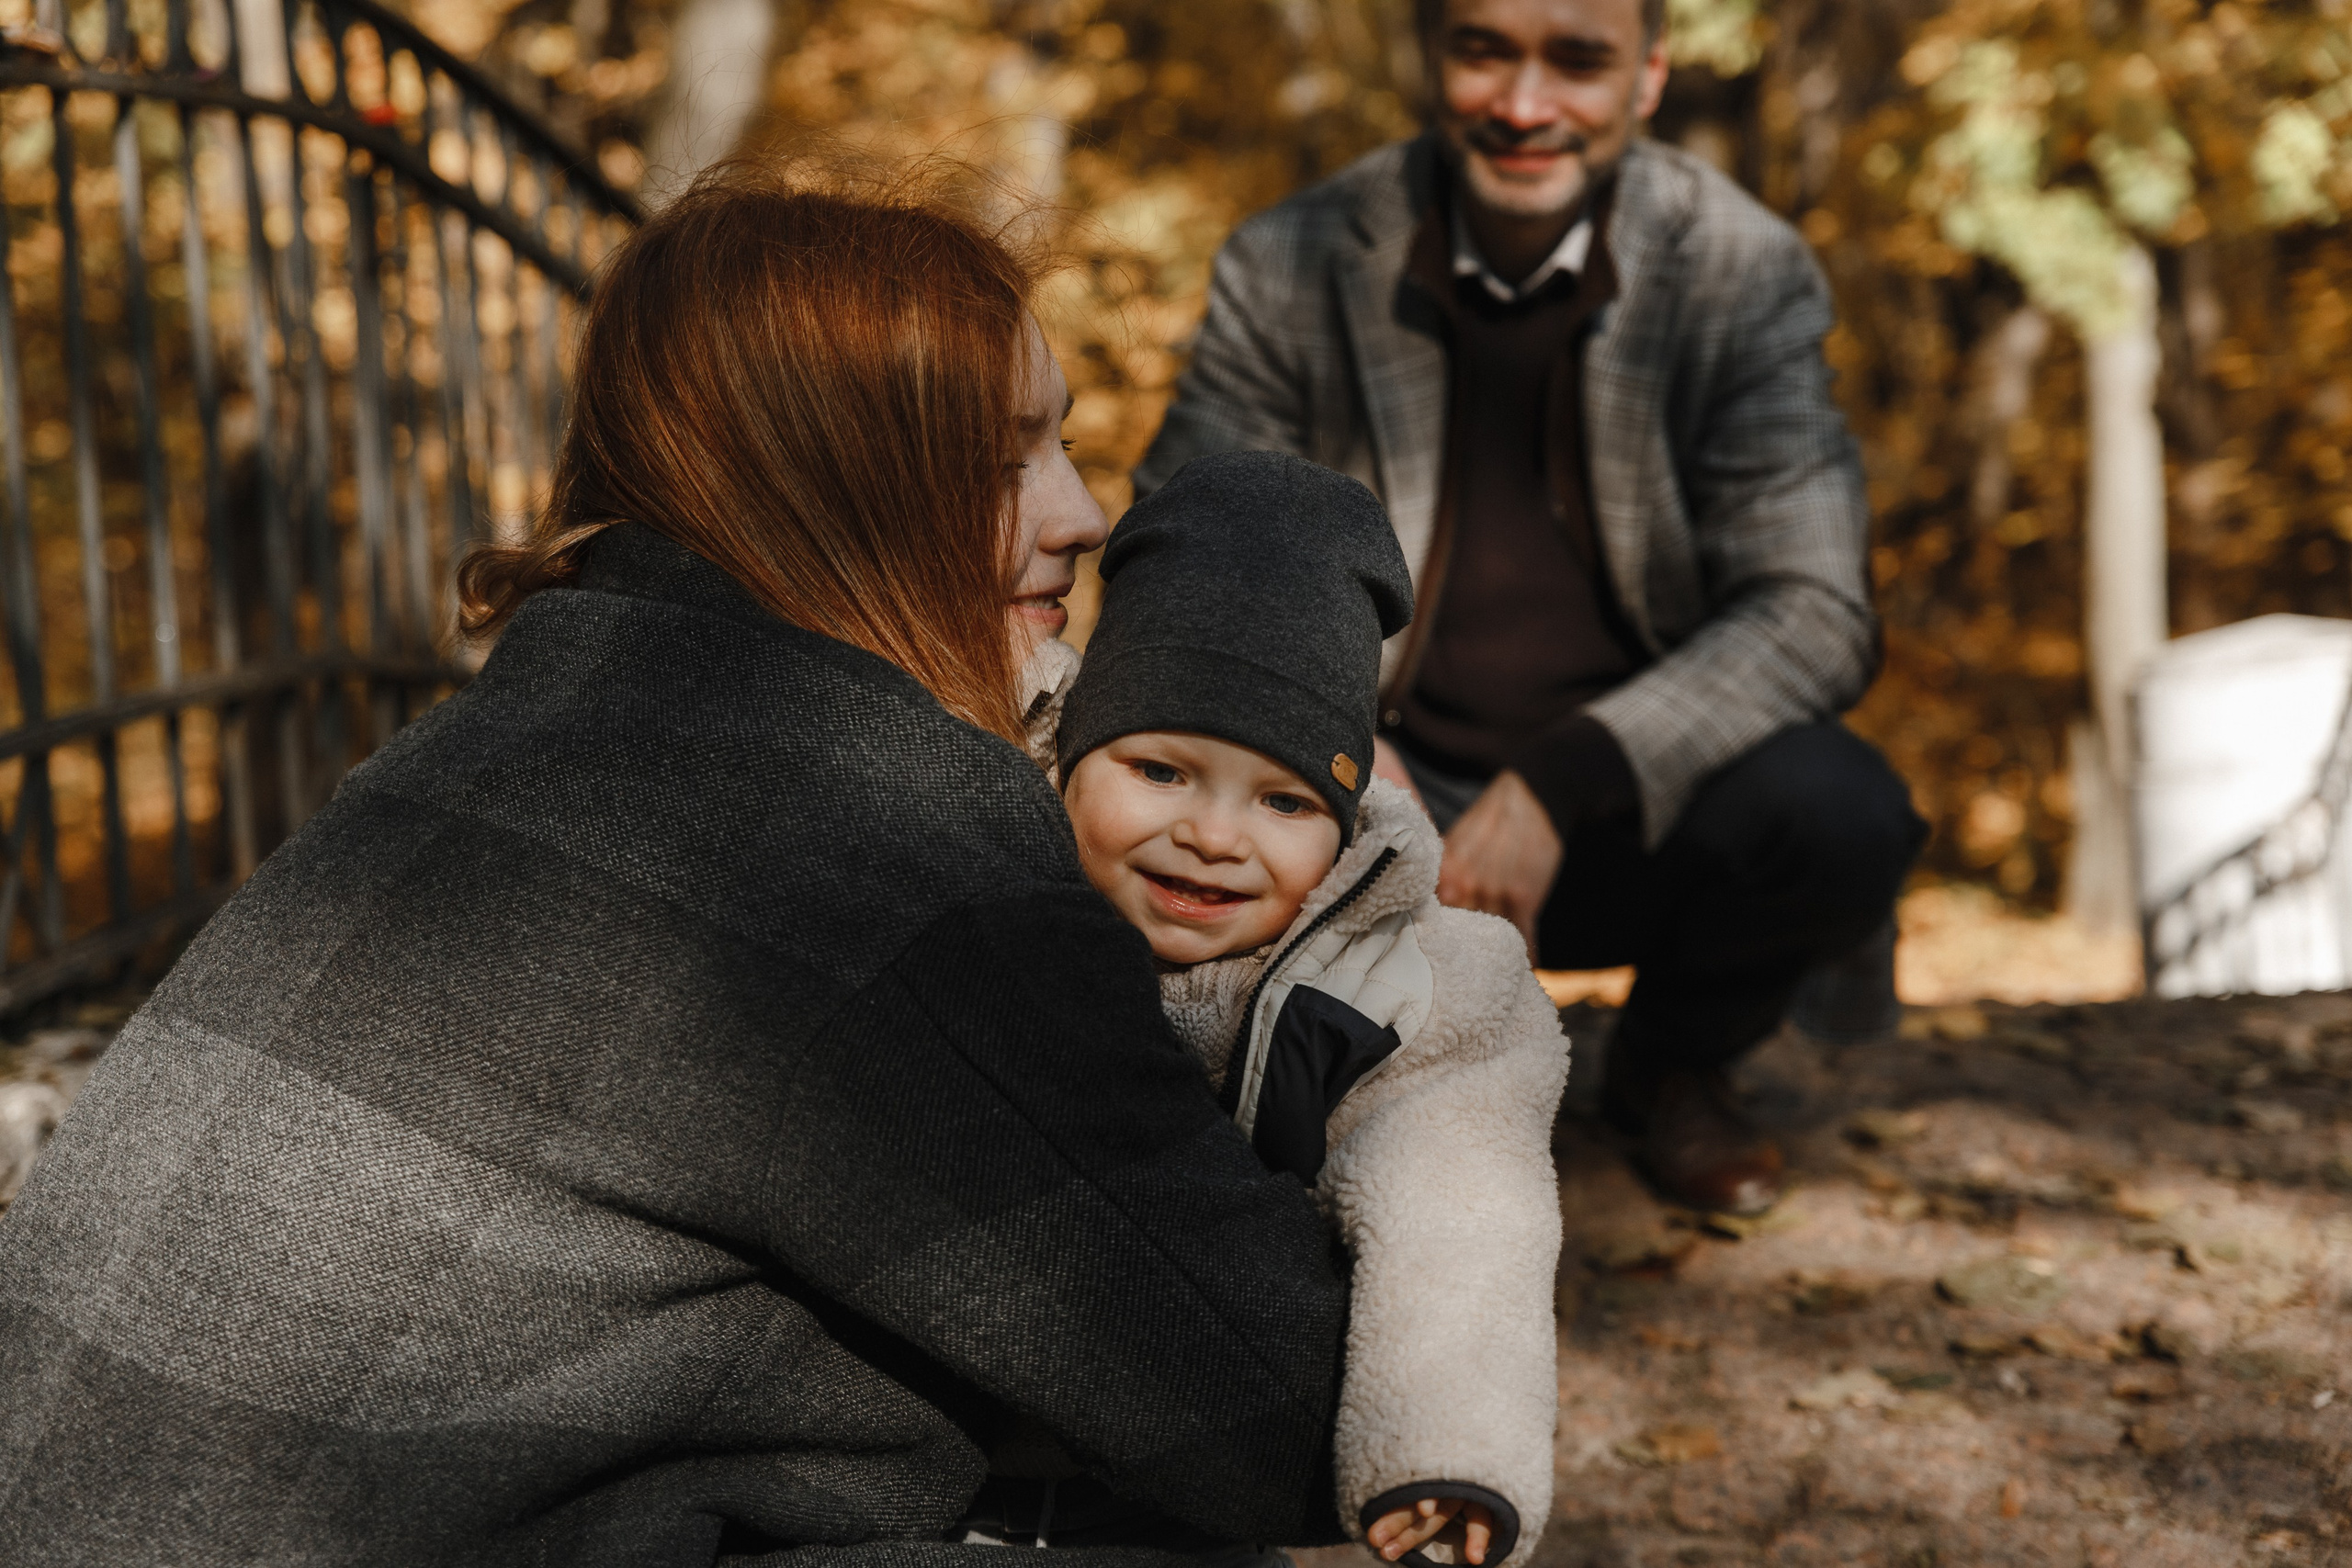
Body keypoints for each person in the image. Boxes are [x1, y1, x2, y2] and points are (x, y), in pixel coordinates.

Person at [0, 163, 1395, 1567]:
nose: (1084, 512)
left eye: (1065, 446)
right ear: (840, 494)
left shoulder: (500, 738)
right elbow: (1288, 1416)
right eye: (1002, 462)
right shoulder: (874, 850)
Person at [1136, 0, 1926, 1215]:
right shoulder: (1293, 258)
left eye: (1577, 59)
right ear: (1433, 55)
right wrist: (1338, 746)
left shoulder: (1740, 269)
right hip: (1371, 778)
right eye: (1484, 49)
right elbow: (1191, 538)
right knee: (1179, 778)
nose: (1522, 103)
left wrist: (1568, 775)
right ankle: (1303, 1103)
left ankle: (1671, 1063)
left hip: (1634, 812)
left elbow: (1816, 606)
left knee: (1842, 807)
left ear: (1650, 76)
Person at [1011, 450, 1566, 1568]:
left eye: (1281, 799)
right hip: (943, 1453)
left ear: (1346, 821)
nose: (1214, 835)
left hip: (1195, 1487)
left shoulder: (1405, 988)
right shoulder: (972, 872)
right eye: (1160, 771)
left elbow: (1462, 1221)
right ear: (1067, 758)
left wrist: (1443, 1448)